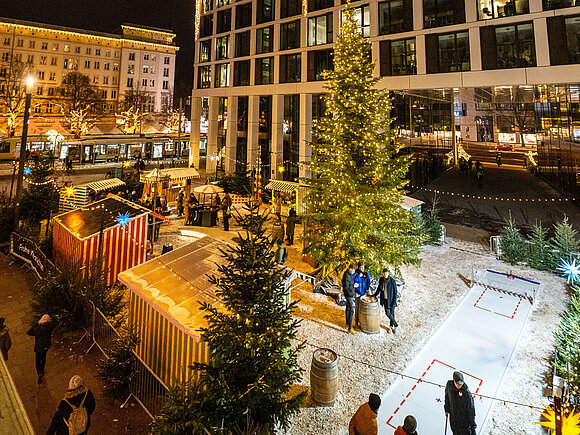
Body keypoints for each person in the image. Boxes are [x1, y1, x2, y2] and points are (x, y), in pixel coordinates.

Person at [27, 314, 56, 384]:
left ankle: (38, 372)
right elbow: (55, 321)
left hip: (39, 347)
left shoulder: (38, 329)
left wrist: (37, 324)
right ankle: (42, 371)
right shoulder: (50, 326)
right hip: (46, 345)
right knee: (43, 358)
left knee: (37, 359)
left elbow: (29, 332)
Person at [372, 269, 399, 333]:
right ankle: (396, 325)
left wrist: (394, 301)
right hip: (385, 300)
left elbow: (395, 292)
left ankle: (391, 327)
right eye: (384, 273)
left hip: (392, 300)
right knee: (388, 313)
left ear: (388, 274)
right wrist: (374, 295)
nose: (385, 275)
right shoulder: (381, 280)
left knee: (392, 314)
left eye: (386, 273)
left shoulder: (392, 281)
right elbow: (379, 288)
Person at [342, 264, 359, 334]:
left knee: (348, 308)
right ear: (349, 268)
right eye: (352, 269)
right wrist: (354, 286)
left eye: (354, 269)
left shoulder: (350, 274)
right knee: (352, 309)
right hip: (348, 294)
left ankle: (347, 323)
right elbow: (346, 287)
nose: (353, 271)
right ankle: (350, 328)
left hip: (350, 294)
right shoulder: (346, 276)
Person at [354, 263, 371, 328]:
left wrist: (367, 288)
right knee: (357, 307)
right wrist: (359, 276)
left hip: (363, 292)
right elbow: (354, 281)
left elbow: (368, 281)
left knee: (363, 307)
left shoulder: (366, 274)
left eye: (363, 268)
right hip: (357, 292)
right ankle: (356, 322)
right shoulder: (356, 273)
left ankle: (362, 321)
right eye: (361, 267)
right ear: (359, 267)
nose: (362, 269)